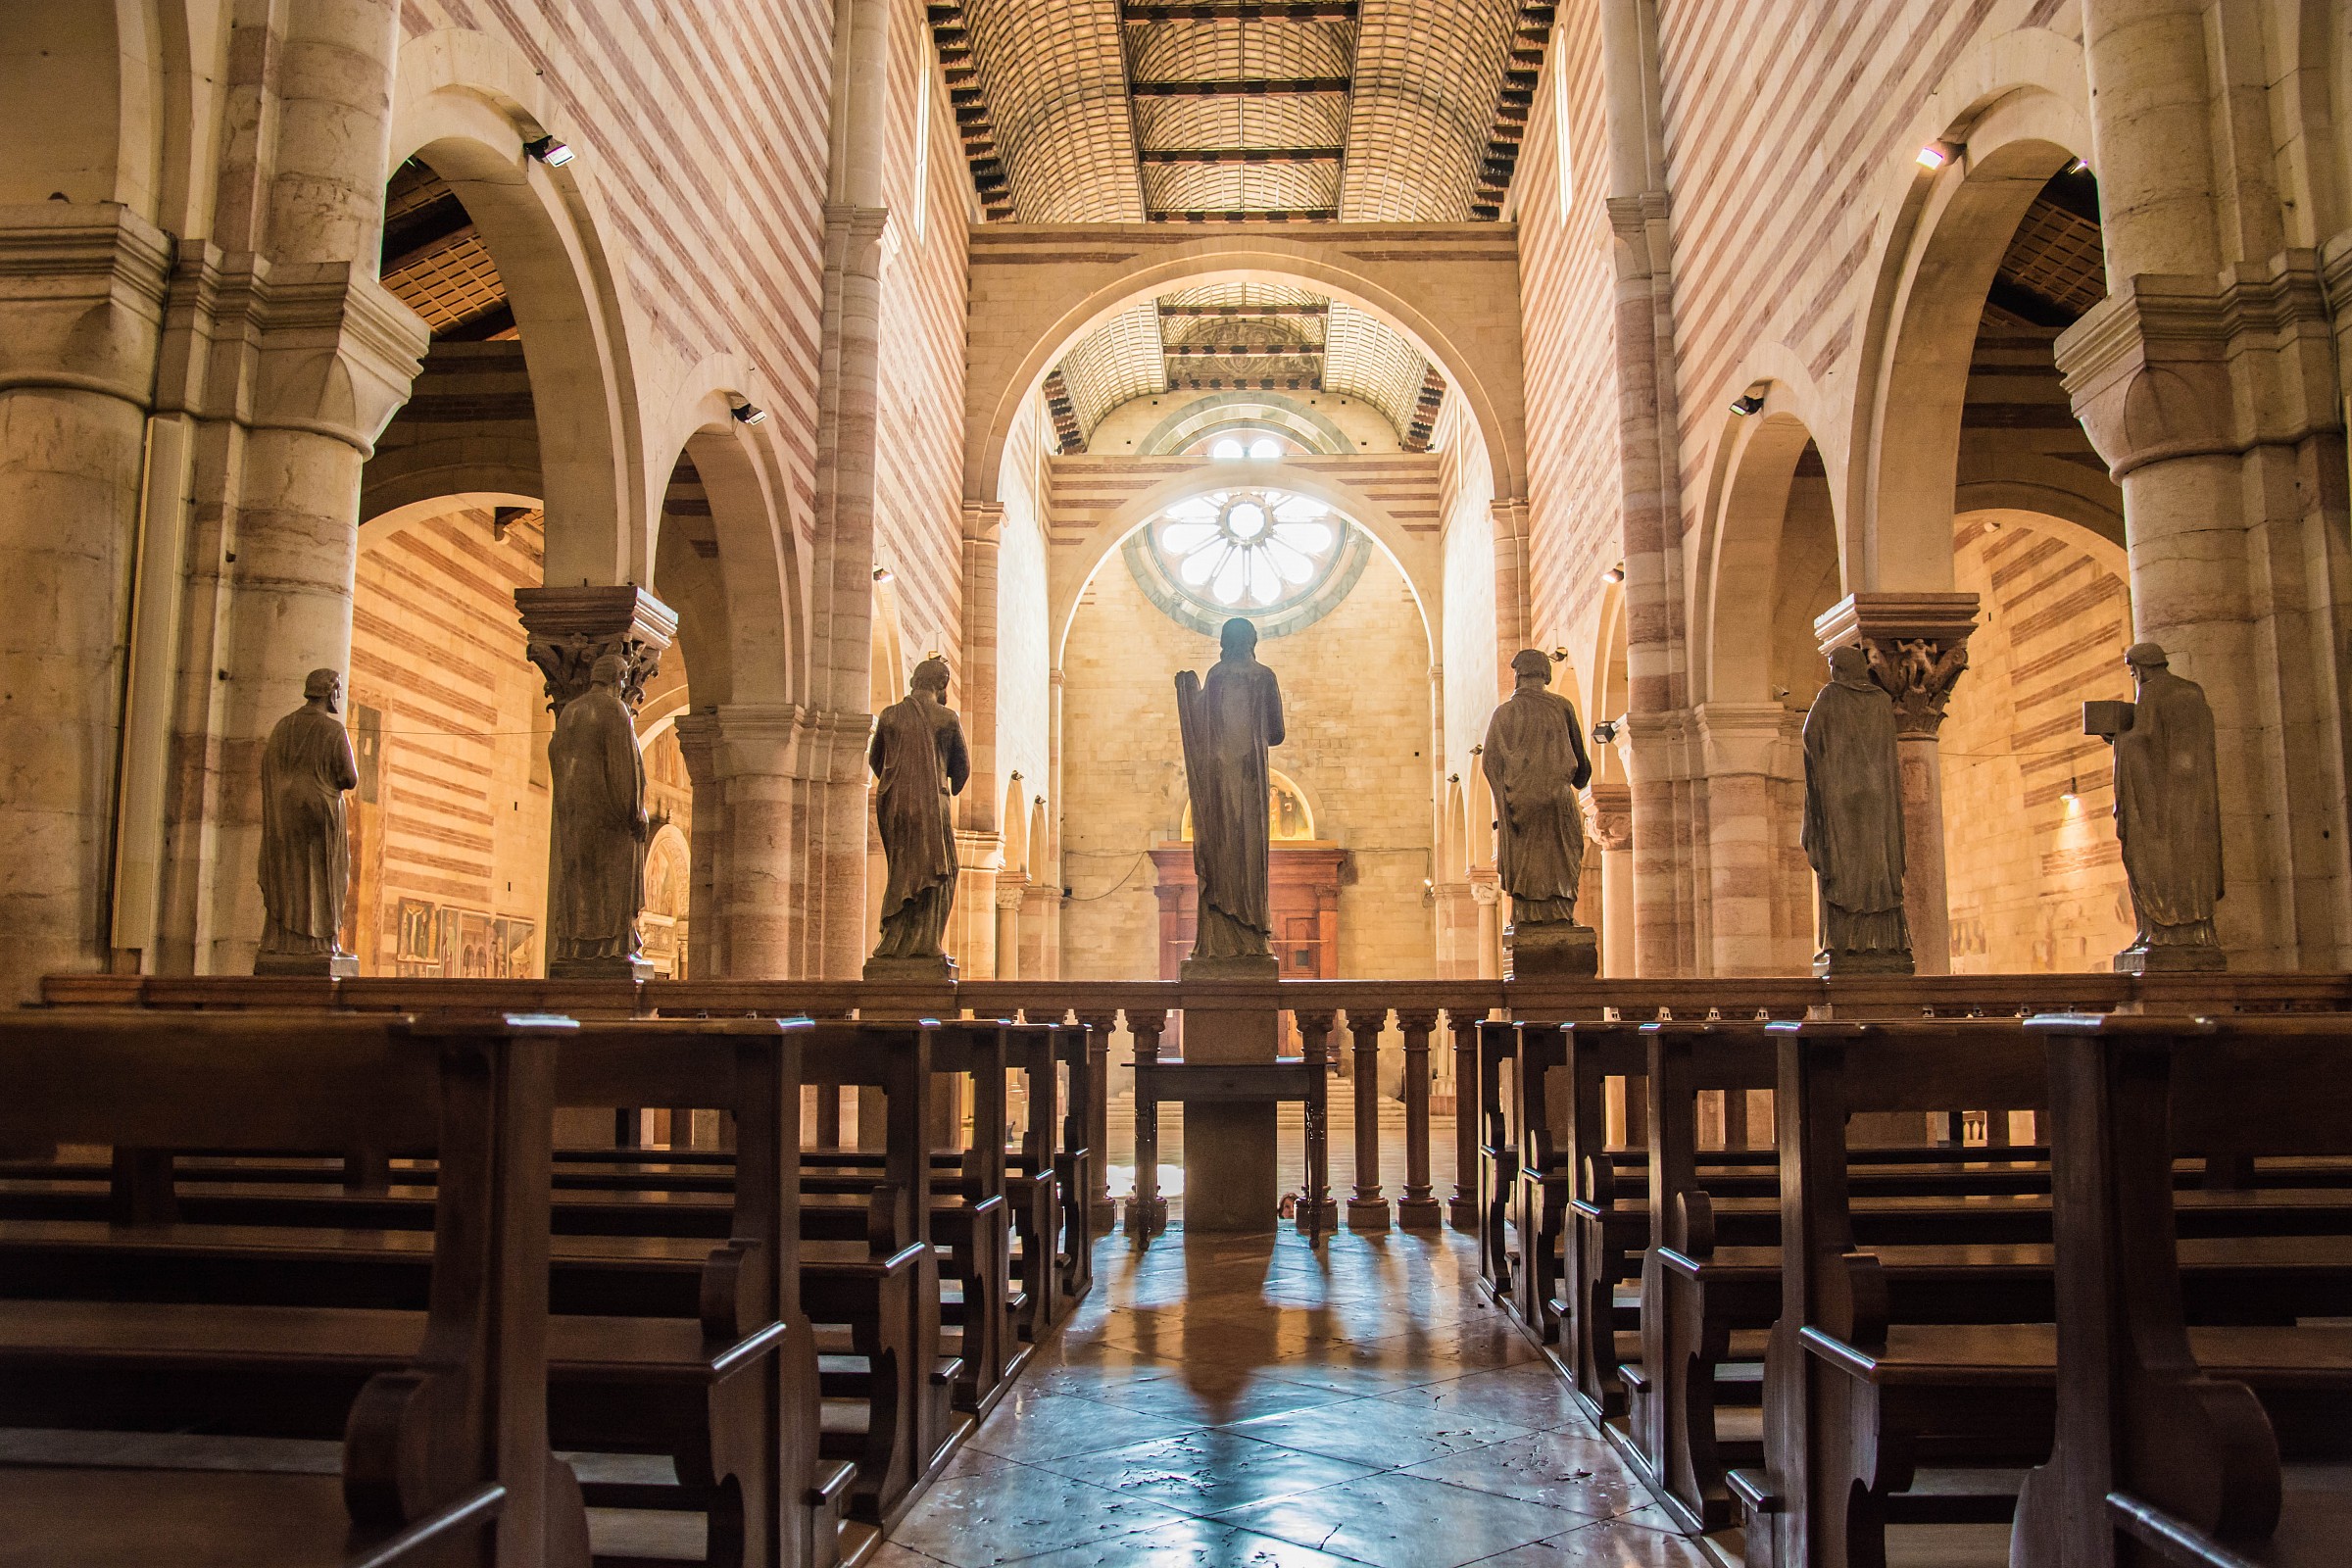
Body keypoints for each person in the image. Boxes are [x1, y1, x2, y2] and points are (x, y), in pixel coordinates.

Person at [1176, 617, 1286, 962]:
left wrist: (1187, 693)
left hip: (1219, 779)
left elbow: (1200, 724)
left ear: (1225, 642)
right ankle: (1251, 935)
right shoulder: (1264, 676)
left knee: (1221, 847)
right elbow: (1277, 733)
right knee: (1248, 852)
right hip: (1251, 777)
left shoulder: (1217, 675)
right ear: (1252, 641)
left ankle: (1218, 941)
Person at [2110, 642, 2224, 957]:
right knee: (2194, 858)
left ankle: (2160, 933)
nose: (2133, 676)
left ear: (2140, 667)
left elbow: (2142, 740)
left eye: (2132, 670)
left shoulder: (2152, 691)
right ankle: (2199, 931)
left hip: (2161, 803)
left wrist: (2117, 738)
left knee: (2150, 858)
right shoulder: (2193, 691)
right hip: (2194, 799)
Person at [1801, 645, 1911, 969]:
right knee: (1878, 869)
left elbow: (1809, 736)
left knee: (1843, 870)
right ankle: (1884, 942)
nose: (1832, 672)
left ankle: (1847, 941)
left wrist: (1830, 763)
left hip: (1842, 799)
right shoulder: (1881, 701)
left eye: (1834, 666)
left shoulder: (1831, 696)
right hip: (1878, 800)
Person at [1481, 649, 1594, 925]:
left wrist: (1508, 797)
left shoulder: (1503, 713)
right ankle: (1561, 916)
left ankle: (1526, 916)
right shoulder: (1562, 706)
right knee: (1563, 861)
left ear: (1518, 676)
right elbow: (1582, 769)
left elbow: (1490, 763)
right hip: (1557, 803)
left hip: (1520, 807)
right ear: (1546, 674)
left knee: (1526, 867)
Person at [256, 667, 359, 969]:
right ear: (330, 692)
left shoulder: (283, 727)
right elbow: (350, 778)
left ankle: (283, 941)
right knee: (323, 877)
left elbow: (269, 769)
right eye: (337, 689)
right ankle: (321, 943)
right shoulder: (333, 731)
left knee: (289, 874)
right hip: (322, 815)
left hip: (286, 816)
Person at [550, 653, 649, 967]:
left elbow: (555, 755)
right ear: (618, 679)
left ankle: (575, 944)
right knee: (611, 885)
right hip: (610, 818)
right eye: (623, 679)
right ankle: (612, 945)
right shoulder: (615, 709)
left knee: (579, 880)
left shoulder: (569, 712)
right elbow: (623, 766)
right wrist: (635, 812)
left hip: (575, 815)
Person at [870, 655, 970, 961]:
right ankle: (927, 943)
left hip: (896, 805)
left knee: (901, 870)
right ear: (941, 684)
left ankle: (894, 942)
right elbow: (962, 769)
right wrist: (938, 780)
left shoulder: (889, 715)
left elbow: (876, 760)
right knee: (942, 870)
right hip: (930, 805)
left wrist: (899, 783)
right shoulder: (947, 718)